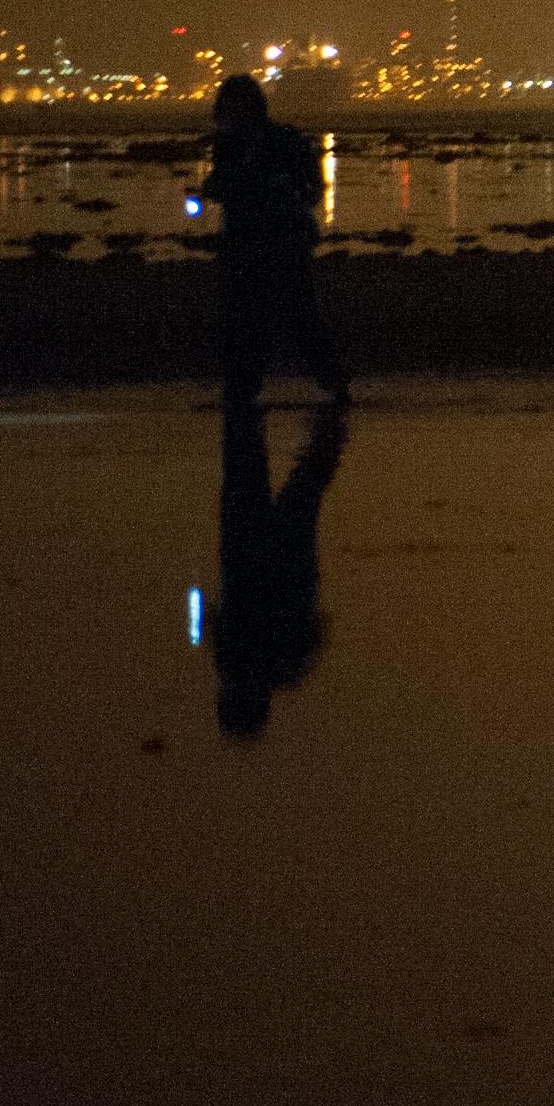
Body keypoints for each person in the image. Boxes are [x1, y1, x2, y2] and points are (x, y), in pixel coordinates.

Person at [213, 395, 347, 739]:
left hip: (275, 558)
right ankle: (333, 410)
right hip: (260, 556)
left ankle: (333, 416)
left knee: (302, 480)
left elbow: (316, 620)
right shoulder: (247, 662)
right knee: (255, 464)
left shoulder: (282, 664)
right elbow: (213, 614)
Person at [206, 73, 345, 403]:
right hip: (254, 245)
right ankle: (246, 391)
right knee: (259, 322)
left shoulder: (279, 141)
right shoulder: (237, 145)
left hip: (279, 243)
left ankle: (328, 385)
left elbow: (308, 189)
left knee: (292, 318)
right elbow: (222, 185)